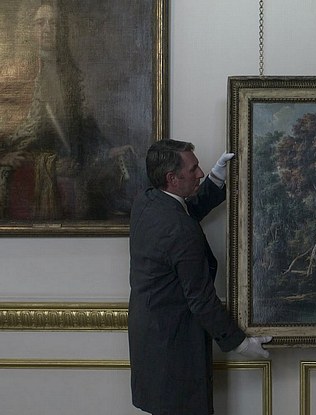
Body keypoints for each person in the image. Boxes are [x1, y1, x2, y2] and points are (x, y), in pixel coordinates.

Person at [128, 139, 271, 415]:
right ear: (172, 178)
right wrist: (241, 344)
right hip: (174, 348)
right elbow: (201, 300)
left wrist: (217, 178)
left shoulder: (147, 202)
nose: (200, 173)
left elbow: (186, 211)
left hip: (151, 340)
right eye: (193, 169)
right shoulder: (180, 230)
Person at [0, 2, 136, 220]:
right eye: (40, 23)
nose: (47, 29)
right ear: (30, 29)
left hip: (71, 172)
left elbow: (84, 127)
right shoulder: (15, 74)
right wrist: (4, 157)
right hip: (26, 176)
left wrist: (106, 150)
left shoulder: (70, 75)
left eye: (53, 23)